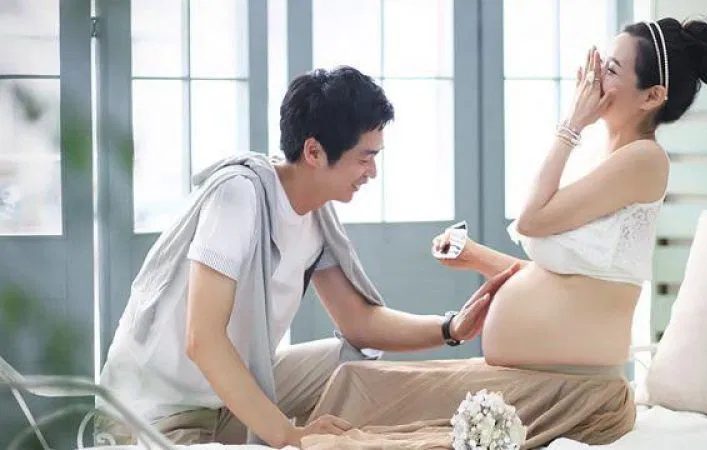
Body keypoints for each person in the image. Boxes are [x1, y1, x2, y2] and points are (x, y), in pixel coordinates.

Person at [304, 18, 707, 449]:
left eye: (612, 69)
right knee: (358, 384)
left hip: (570, 392)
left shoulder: (645, 160)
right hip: (535, 376)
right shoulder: (606, 161)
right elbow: (563, 280)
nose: (594, 76)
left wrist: (572, 123)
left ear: (652, 96)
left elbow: (530, 220)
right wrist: (474, 255)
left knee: (362, 415)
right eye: (601, 62)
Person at [94, 66, 520, 448]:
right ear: (314, 152)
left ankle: (344, 439)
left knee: (353, 362)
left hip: (226, 395)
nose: (372, 172)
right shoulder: (238, 196)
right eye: (365, 158)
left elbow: (359, 323)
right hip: (160, 409)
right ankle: (293, 436)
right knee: (285, 432)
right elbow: (202, 339)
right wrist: (287, 435)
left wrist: (451, 328)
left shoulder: (316, 214)